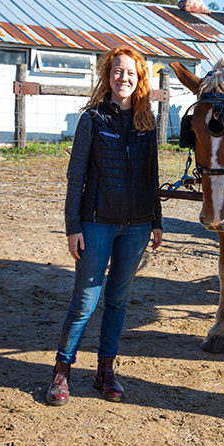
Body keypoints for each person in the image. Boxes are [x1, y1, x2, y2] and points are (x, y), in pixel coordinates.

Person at [46, 46, 163, 406]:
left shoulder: (147, 122)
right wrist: (72, 226)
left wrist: (156, 221)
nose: (123, 78)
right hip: (96, 224)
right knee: (84, 300)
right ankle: (62, 371)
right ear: (107, 76)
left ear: (139, 78)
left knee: (118, 300)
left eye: (130, 72)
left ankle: (105, 371)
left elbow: (151, 175)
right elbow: (75, 176)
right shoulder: (92, 119)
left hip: (137, 227)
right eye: (116, 71)